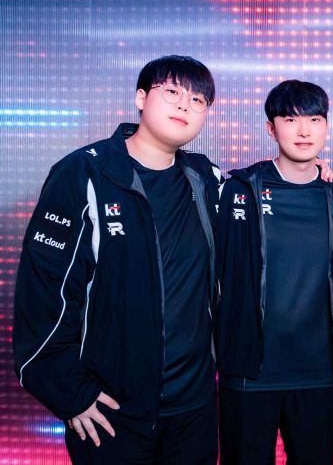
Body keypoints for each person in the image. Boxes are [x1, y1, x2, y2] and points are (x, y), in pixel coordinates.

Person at [14, 55, 222, 464]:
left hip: (194, 411)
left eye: (198, 100)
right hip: (111, 411)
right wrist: (70, 394)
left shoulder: (206, 179)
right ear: (141, 98)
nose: (185, 105)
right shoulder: (84, 173)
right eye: (172, 91)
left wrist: (316, 171)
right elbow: (43, 291)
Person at [214, 80, 333, 464]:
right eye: (291, 119)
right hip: (249, 370)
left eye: (314, 119)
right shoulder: (239, 190)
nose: (304, 130)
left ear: (326, 126)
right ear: (271, 128)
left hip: (318, 371)